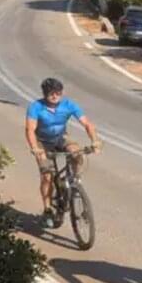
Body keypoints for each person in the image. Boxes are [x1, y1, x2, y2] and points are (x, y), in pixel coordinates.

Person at [25, 77, 101, 226]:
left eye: (58, 93)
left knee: (77, 153)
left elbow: (87, 123)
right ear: (44, 93)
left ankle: (74, 182)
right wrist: (35, 148)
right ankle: (47, 209)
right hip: (42, 141)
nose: (55, 96)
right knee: (47, 175)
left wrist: (95, 141)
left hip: (60, 137)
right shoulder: (36, 107)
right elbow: (30, 130)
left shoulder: (68, 105)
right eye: (51, 93)